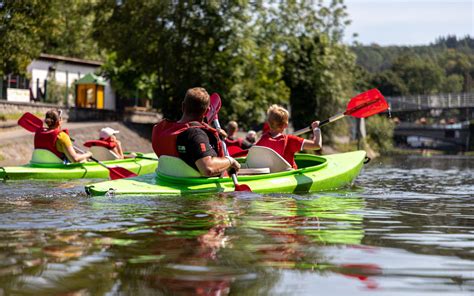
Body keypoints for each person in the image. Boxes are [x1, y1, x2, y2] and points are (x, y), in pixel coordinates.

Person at [152, 87, 240, 177]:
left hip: (166, 177)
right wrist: (230, 161)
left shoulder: (160, 129)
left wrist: (213, 134)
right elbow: (208, 169)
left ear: (183, 106)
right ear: (207, 111)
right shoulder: (195, 134)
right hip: (196, 185)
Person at [255, 104, 322, 169]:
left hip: (270, 175)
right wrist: (316, 129)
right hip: (288, 175)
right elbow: (316, 145)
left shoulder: (262, 139)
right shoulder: (290, 140)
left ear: (268, 123)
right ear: (286, 125)